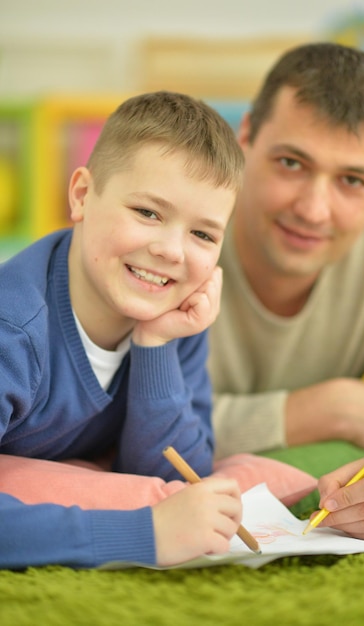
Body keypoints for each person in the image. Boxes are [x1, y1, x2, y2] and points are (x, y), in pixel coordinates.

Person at [0, 90, 245, 568]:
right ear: (82, 196)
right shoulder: (13, 331)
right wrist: (144, 533)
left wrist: (155, 346)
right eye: (148, 213)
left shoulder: (177, 316)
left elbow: (181, 478)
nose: (172, 252)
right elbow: (165, 519)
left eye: (202, 234)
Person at [208, 42, 364, 541]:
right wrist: (300, 413)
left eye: (351, 180)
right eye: (291, 163)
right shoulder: (180, 223)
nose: (314, 210)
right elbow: (107, 419)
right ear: (247, 137)